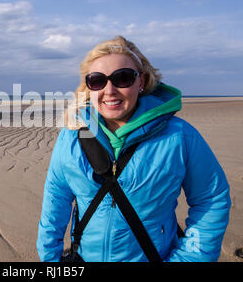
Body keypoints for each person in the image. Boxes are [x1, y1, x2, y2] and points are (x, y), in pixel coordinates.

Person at [36, 35, 231, 262]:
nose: (109, 90)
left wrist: (191, 257)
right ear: (89, 88)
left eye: (123, 78)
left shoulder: (180, 136)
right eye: (98, 80)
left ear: (142, 82)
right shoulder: (71, 135)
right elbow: (56, 198)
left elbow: (211, 198)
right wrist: (50, 258)